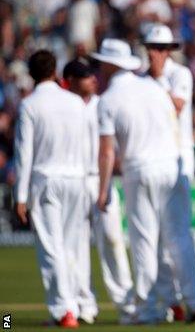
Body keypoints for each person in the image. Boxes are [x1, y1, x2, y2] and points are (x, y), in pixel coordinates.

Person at [92, 38, 195, 324]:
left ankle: (147, 309)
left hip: (138, 169)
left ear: (109, 64)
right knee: (179, 237)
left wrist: (104, 189)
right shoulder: (154, 88)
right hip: (170, 165)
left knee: (143, 240)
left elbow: (107, 152)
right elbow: (173, 123)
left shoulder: (106, 100)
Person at [142, 23, 195, 322]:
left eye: (161, 49)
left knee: (178, 233)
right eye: (152, 48)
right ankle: (172, 298)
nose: (155, 54)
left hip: (177, 157)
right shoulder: (143, 77)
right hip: (153, 157)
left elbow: (174, 107)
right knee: (158, 235)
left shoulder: (178, 75)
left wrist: (155, 78)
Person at [14, 50, 90, 328]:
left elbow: (24, 155)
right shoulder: (76, 102)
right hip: (76, 180)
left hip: (47, 180)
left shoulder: (29, 105)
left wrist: (20, 196)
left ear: (33, 74)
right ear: (54, 70)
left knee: (52, 249)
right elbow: (87, 145)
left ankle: (64, 311)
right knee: (69, 248)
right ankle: (72, 306)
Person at [62, 58, 135, 325]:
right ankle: (84, 305)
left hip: (99, 178)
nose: (93, 79)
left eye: (93, 74)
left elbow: (110, 150)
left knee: (113, 241)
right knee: (75, 245)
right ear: (69, 81)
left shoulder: (101, 104)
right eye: (85, 76)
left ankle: (127, 306)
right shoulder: (63, 108)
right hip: (73, 180)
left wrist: (104, 185)